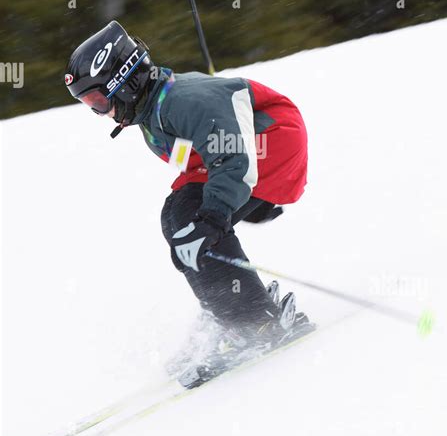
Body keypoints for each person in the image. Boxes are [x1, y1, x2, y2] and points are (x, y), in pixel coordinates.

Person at [65, 20, 311, 366]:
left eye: (98, 100)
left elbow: (230, 153)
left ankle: (255, 321)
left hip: (272, 141)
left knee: (194, 219)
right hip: (242, 154)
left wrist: (217, 214)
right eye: (90, 104)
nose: (99, 112)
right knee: (178, 219)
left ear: (124, 83)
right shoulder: (154, 112)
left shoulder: (182, 100)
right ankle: (228, 311)